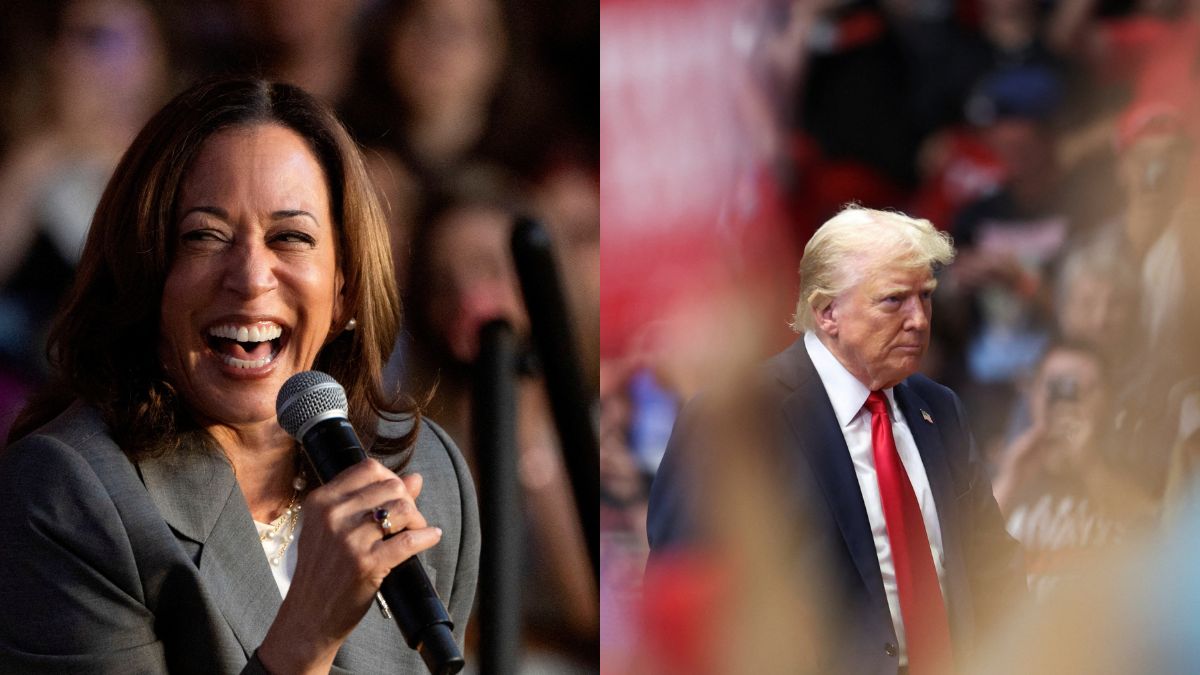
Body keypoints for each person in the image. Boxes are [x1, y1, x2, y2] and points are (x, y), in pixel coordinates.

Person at [0, 78, 479, 673]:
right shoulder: (68, 495)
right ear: (145, 277)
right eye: (205, 236)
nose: (251, 277)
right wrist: (306, 634)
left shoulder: (424, 471)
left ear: (345, 287)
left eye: (292, 238)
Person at [647, 205, 1026, 674]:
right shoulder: (738, 419)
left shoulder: (940, 408)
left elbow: (991, 561)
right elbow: (688, 605)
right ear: (827, 312)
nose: (919, 320)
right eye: (894, 300)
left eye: (925, 297)